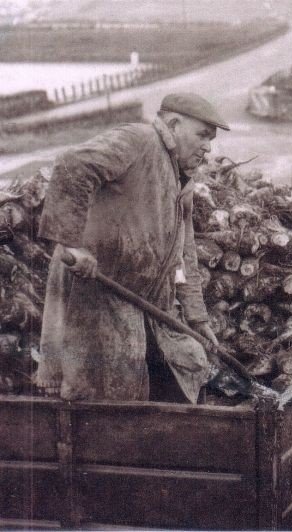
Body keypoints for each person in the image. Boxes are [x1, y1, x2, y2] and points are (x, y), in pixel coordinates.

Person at [33, 92, 229, 403]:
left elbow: (184, 251)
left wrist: (198, 318)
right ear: (174, 124)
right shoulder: (139, 140)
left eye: (211, 139)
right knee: (104, 392)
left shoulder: (183, 180)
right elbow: (73, 164)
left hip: (146, 302)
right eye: (203, 135)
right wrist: (71, 244)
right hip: (97, 289)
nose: (208, 147)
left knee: (188, 359)